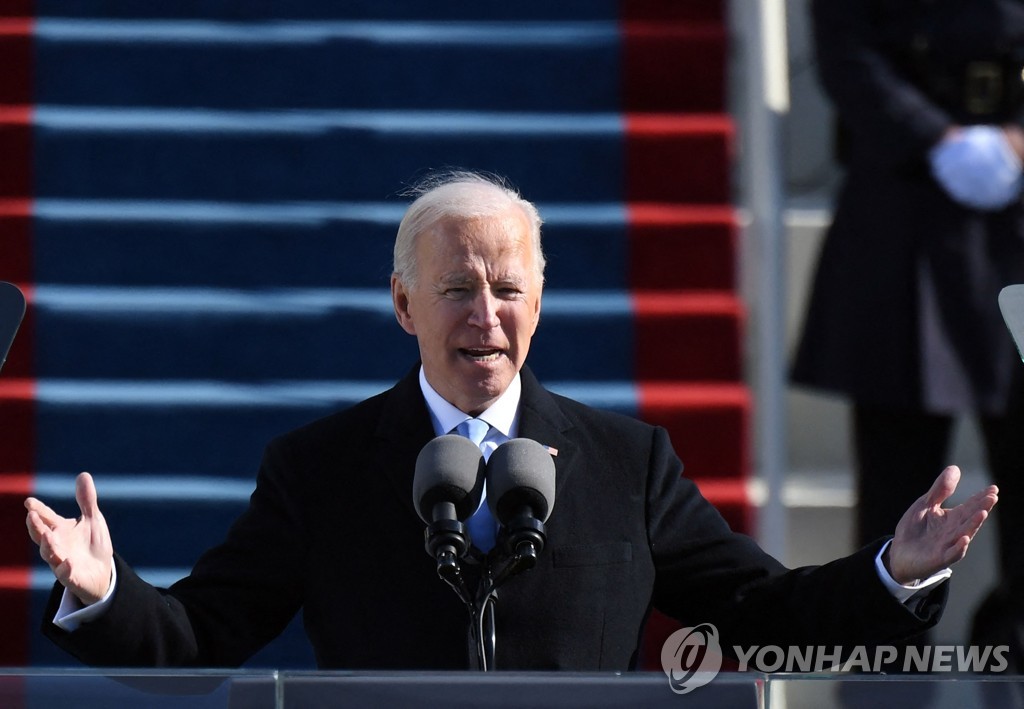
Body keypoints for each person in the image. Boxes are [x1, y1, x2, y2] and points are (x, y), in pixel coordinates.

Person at [26, 171, 997, 671]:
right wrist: (106, 591)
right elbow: (204, 631)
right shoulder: (318, 467)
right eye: (454, 290)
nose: (483, 315)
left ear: (538, 302)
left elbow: (766, 612)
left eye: (505, 288)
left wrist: (896, 571)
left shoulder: (627, 461)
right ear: (403, 306)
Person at [792, 0, 1024, 667]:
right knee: (900, 508)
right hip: (903, 223)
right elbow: (847, 49)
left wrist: (1015, 143)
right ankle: (887, 676)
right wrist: (931, 137)